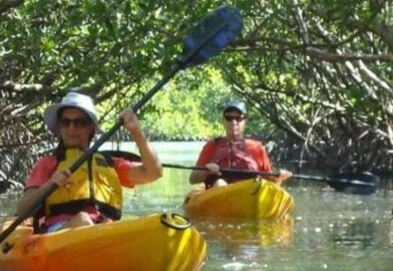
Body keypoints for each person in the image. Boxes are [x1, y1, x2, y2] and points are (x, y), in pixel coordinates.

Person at [17, 91, 162, 233]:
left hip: (104, 229)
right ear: (60, 127)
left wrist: (136, 131)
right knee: (83, 220)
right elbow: (22, 210)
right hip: (59, 233)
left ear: (91, 127)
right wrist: (50, 185)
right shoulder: (48, 163)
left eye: (79, 122)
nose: (71, 128)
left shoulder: (110, 163)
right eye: (65, 122)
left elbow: (154, 172)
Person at [189, 100, 292, 188]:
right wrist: (206, 171)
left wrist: (279, 176)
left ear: (245, 121)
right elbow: (192, 179)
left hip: (250, 190)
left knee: (258, 185)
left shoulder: (257, 147)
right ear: (223, 121)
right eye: (229, 118)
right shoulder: (212, 146)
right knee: (220, 183)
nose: (234, 122)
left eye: (238, 118)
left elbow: (269, 178)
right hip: (219, 190)